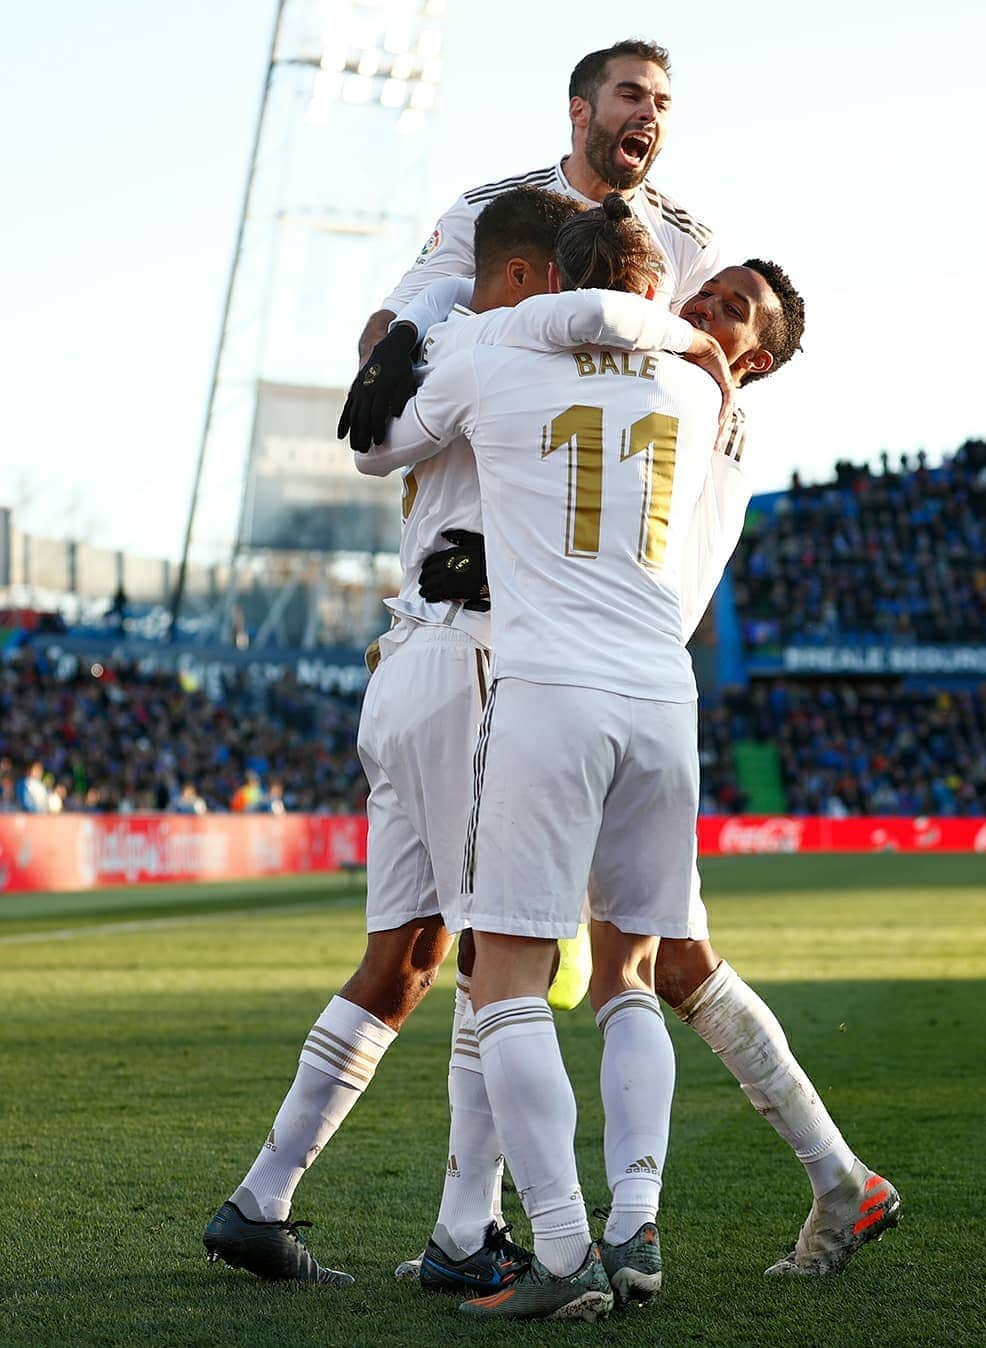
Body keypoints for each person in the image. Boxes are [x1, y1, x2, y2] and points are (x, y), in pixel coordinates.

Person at [202, 186, 714, 1289]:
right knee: (498, 958)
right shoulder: (533, 354)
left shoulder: (447, 348)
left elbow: (376, 438)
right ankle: (468, 1236)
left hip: (404, 662)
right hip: (485, 659)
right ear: (534, 277)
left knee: (406, 959)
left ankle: (261, 1200)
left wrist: (421, 307)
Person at [358, 195, 822, 1321]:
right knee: (629, 977)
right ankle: (634, 1225)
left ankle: (560, 1251)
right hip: (663, 701)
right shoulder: (701, 382)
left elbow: (380, 447)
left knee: (504, 974)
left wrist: (428, 312)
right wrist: (691, 335)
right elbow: (661, 331)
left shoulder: (496, 350)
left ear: (544, 276)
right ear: (655, 289)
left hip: (547, 691)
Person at [338, 37, 734, 454]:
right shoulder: (489, 210)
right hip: (480, 464)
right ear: (579, 110)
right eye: (630, 94)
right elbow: (398, 313)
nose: (649, 113)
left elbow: (718, 373)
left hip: (612, 472)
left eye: (662, 104)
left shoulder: (690, 244)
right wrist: (376, 363)